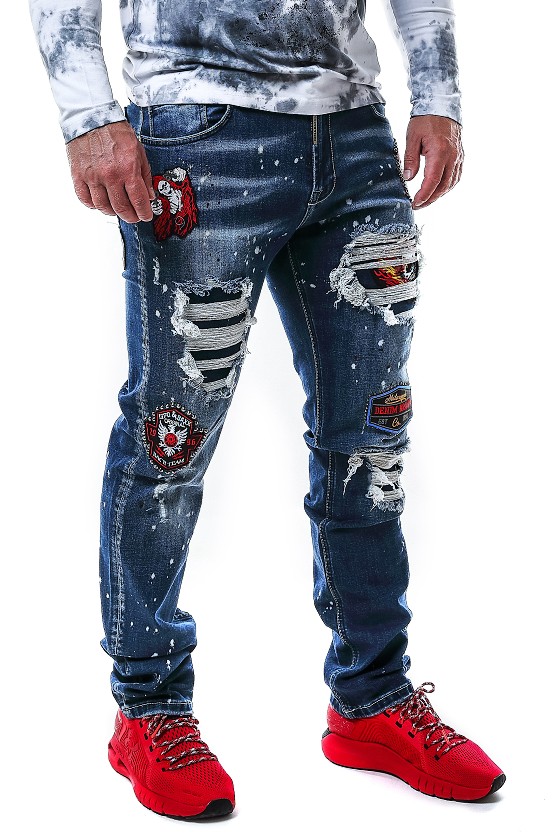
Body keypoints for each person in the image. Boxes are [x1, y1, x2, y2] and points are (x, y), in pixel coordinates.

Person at [28, 0, 505, 819]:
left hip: (356, 137)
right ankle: (148, 708)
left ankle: (372, 698)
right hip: (195, 130)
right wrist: (87, 114)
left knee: (372, 440)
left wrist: (438, 93)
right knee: (170, 442)